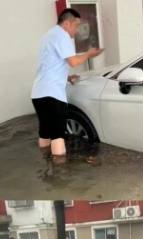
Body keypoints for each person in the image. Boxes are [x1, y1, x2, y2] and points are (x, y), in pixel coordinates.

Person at [31, 8, 104, 156]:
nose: (77, 30)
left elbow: (49, 65)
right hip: (53, 95)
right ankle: (60, 174)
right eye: (76, 25)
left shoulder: (47, 36)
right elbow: (73, 61)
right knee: (58, 136)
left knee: (45, 132)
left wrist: (66, 78)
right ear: (66, 23)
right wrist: (89, 54)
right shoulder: (62, 36)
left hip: (38, 94)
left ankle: (46, 161)